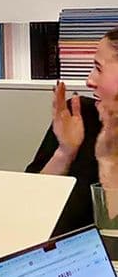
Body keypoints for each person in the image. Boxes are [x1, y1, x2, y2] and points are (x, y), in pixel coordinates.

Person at [27, 30, 118, 234]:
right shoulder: (79, 116)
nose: (89, 80)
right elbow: (26, 204)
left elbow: (111, 232)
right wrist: (64, 153)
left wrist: (109, 161)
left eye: (98, 68)